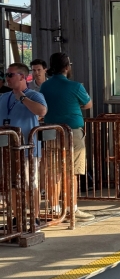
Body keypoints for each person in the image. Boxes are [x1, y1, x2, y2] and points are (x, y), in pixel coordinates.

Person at [40, 53, 95, 221]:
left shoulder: (44, 86)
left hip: (51, 131)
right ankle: (72, 208)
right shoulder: (76, 86)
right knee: (73, 172)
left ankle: (55, 209)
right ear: (67, 67)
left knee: (53, 172)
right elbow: (88, 104)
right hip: (72, 132)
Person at [0, 62, 47, 227]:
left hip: (27, 149)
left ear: (22, 76)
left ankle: (34, 216)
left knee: (30, 183)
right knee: (13, 184)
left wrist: (22, 97)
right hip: (7, 148)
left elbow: (42, 111)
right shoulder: (3, 97)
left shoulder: (34, 95)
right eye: (6, 75)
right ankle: (17, 216)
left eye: (10, 75)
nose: (7, 78)